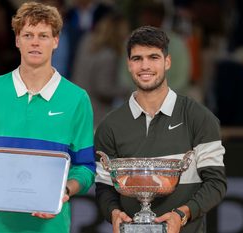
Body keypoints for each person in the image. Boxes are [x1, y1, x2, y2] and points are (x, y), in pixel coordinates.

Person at [0, 2, 95, 233]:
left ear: (56, 41)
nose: (35, 42)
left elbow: (85, 166)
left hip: (51, 226)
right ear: (17, 40)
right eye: (28, 34)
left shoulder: (77, 99)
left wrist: (65, 191)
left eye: (43, 35)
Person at [94, 26, 227, 233]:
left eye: (153, 57)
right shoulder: (109, 126)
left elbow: (216, 183)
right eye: (137, 59)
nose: (145, 66)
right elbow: (104, 187)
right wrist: (112, 212)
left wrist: (182, 214)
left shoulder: (199, 117)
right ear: (128, 64)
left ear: (167, 62)